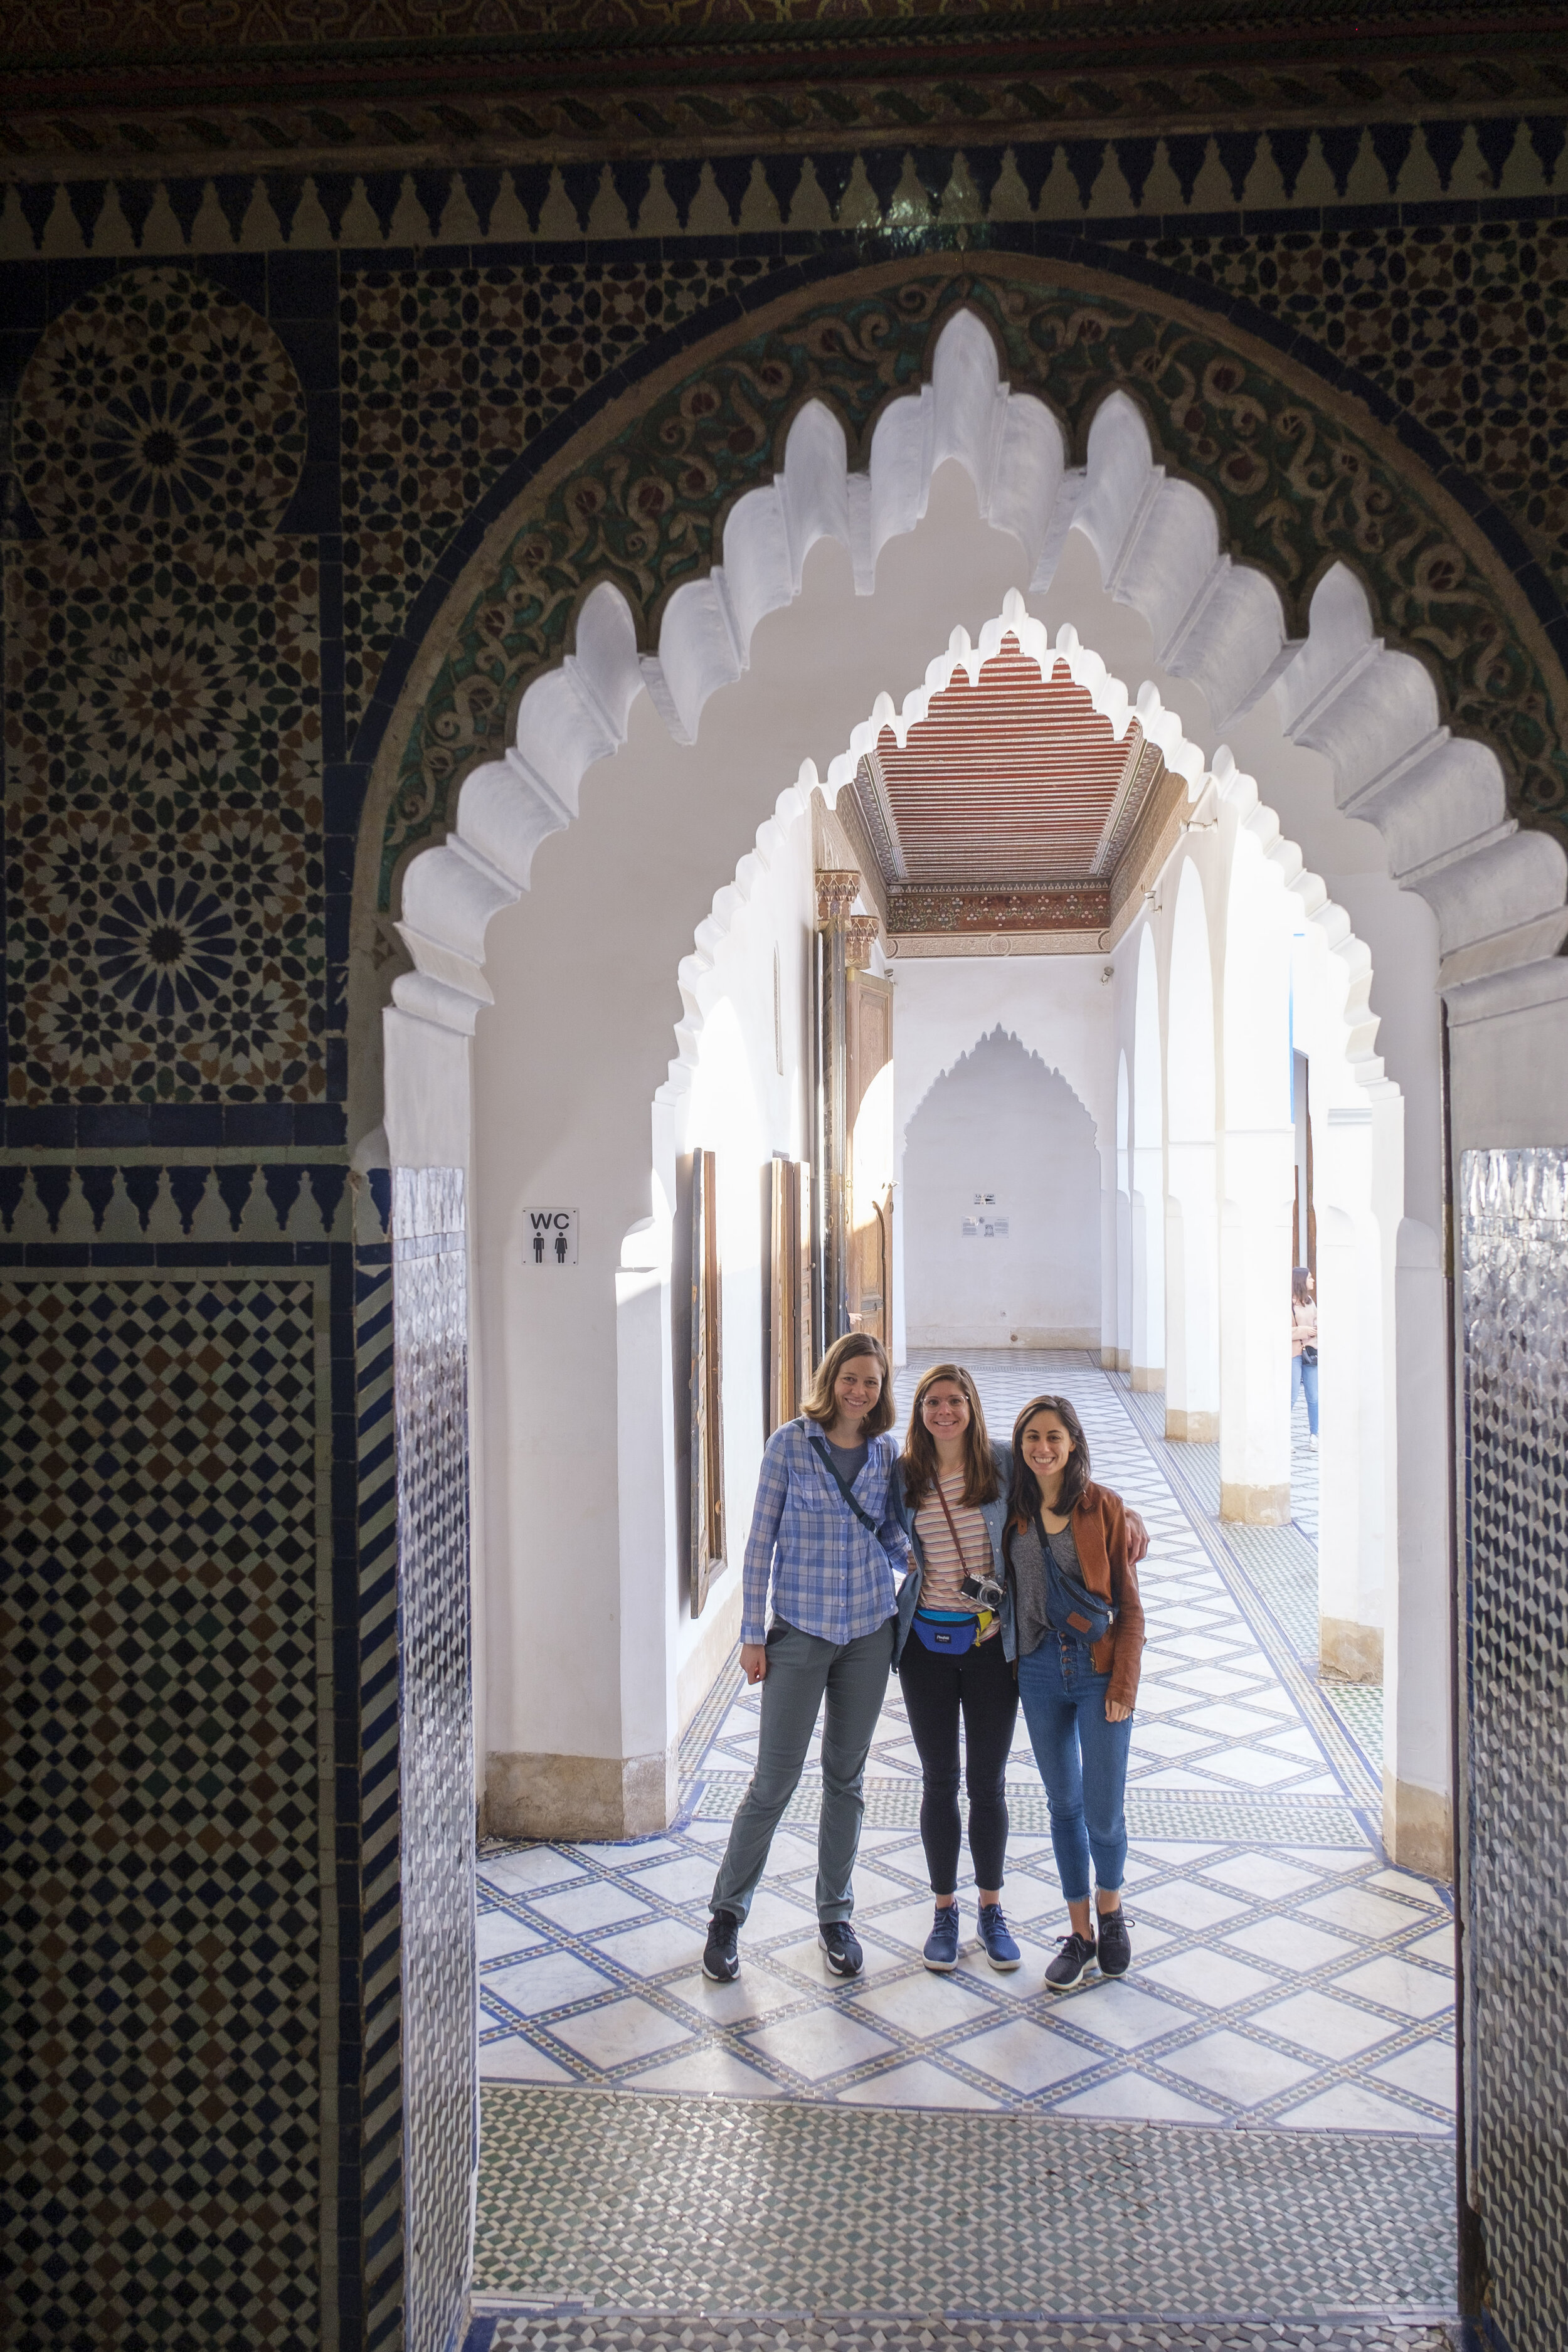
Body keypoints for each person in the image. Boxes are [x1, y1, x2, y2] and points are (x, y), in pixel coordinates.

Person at [702, 1330, 910, 1986]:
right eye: (850, 1378)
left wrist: (949, 1570)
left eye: (871, 1383)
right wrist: (752, 1634)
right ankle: (726, 1917)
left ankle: (835, 1916)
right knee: (773, 1782)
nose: (859, 1391)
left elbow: (893, 1534)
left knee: (845, 1779)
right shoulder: (790, 1444)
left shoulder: (885, 1452)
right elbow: (758, 1541)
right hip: (800, 1632)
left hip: (869, 1633)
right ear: (831, 1379)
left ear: (881, 1391)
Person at [1007, 1393, 1145, 1990]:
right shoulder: (1010, 1507)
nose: (1042, 1448)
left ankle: (1111, 1912)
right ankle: (1080, 1931)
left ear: (1073, 1445)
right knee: (1063, 1807)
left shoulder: (1103, 1508)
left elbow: (1131, 1610)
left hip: (1097, 1671)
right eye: (1032, 1437)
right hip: (1038, 1672)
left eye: (1053, 1438)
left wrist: (1124, 1683)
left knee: (1103, 1810)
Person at [890, 1364, 1022, 1974]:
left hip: (991, 1649)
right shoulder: (905, 1476)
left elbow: (1050, 1516)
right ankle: (944, 1909)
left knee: (987, 1784)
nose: (943, 1411)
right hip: (925, 1649)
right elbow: (881, 1537)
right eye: (932, 1402)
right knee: (939, 1780)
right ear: (919, 1411)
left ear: (971, 1405)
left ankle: (991, 1909)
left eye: (954, 1400)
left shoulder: (1001, 1463)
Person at [1291, 1266, 1319, 1448]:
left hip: (1311, 1353)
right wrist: (1303, 1331)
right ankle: (1284, 1437)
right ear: (1301, 1281)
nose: (1313, 1281)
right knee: (1291, 1396)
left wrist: (1315, 1333)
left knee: (1314, 1396)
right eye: (1310, 1278)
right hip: (1293, 1354)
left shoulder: (1311, 1303)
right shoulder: (1288, 1305)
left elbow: (1318, 1324)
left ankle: (1314, 1435)